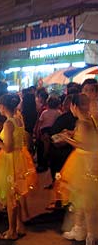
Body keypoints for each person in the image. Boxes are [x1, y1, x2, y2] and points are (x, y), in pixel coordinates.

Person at [0, 93, 37, 240]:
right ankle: (19, 226)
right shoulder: (18, 119)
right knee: (16, 196)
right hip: (20, 159)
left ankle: (11, 231)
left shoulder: (8, 123)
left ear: (2, 106)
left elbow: (7, 148)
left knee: (10, 198)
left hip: (10, 161)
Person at [55, 93, 98, 244]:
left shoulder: (83, 122)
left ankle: (91, 235)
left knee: (86, 201)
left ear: (74, 106)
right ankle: (79, 229)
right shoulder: (87, 121)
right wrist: (71, 133)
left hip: (84, 163)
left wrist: (67, 139)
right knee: (78, 199)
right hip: (84, 162)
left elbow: (87, 145)